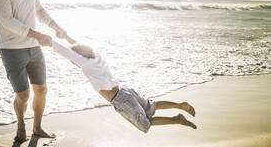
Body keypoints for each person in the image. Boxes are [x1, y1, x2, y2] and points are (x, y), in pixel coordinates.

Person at [0, 0, 67, 143]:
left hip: (33, 47)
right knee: (23, 95)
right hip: (12, 48)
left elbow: (39, 10)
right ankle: (21, 123)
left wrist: (55, 27)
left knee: (41, 89)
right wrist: (38, 35)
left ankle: (38, 127)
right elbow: (6, 20)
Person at [50, 35, 197, 133]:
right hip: (125, 91)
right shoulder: (96, 59)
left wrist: (46, 39)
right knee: (152, 106)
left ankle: (176, 119)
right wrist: (67, 37)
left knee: (146, 123)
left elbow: (66, 53)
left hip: (120, 99)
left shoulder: (86, 65)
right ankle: (180, 105)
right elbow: (79, 53)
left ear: (79, 57)